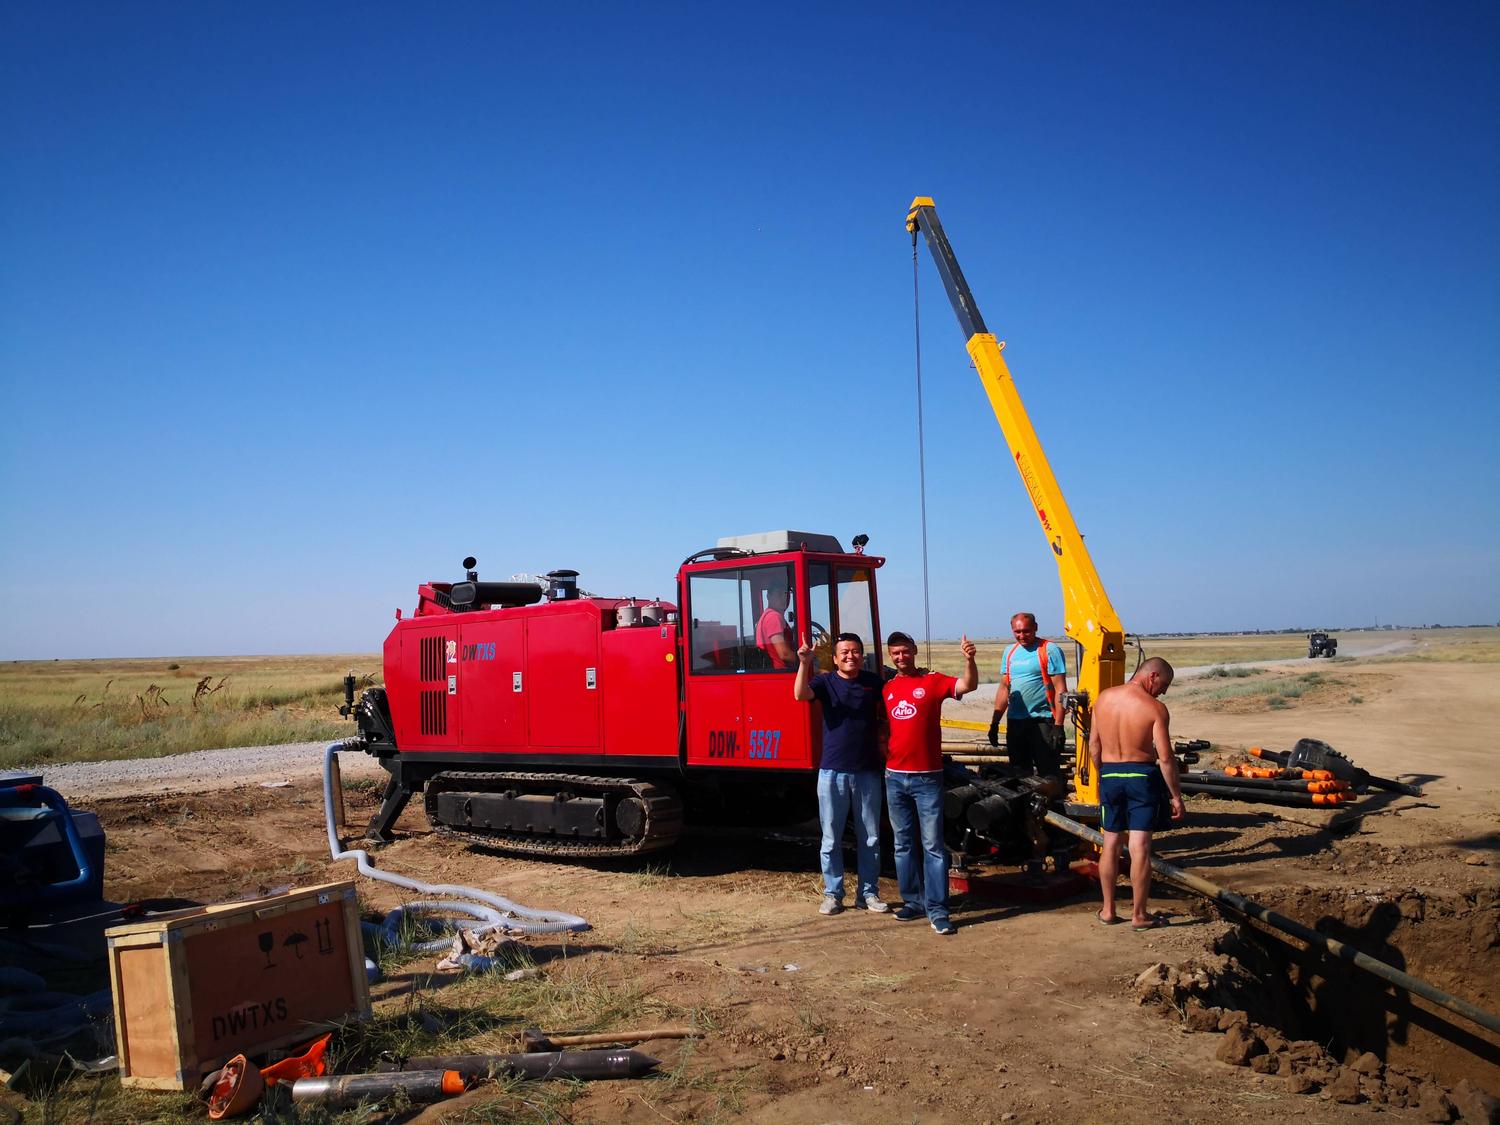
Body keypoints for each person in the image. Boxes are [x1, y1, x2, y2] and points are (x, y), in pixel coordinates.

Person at [882, 630, 978, 936]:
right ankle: (912, 901)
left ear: (915, 651)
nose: (900, 657)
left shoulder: (932, 681)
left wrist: (969, 660)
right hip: (895, 778)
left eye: (905, 651)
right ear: (890, 656)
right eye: (895, 653)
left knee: (933, 846)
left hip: (927, 778)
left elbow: (967, 685)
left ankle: (938, 910)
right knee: (902, 845)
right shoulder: (887, 689)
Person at [794, 632, 887, 915]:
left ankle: (868, 894)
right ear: (834, 659)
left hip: (868, 772)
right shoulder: (825, 682)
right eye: (844, 652)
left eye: (856, 651)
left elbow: (897, 697)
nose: (851, 656)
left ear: (862, 654)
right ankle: (833, 894)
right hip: (832, 772)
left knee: (870, 837)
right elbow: (799, 694)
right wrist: (803, 663)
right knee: (831, 838)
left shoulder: (873, 683)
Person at [1088, 657, 1185, 930]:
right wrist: (1176, 795)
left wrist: (1103, 775)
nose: (1163, 692)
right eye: (1164, 685)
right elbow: (1165, 758)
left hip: (1110, 774)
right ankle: (1139, 915)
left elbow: (1094, 746)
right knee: (1139, 846)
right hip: (1141, 776)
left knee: (1110, 843)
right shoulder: (1154, 708)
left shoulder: (1103, 699)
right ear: (1152, 676)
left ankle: (1108, 910)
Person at [987, 612, 1068, 777]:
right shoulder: (1010, 652)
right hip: (1016, 722)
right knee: (1019, 774)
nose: (1022, 636)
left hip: (1042, 721)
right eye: (1017, 632)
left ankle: (1051, 802)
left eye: (1026, 631)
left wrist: (1058, 725)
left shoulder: (1049, 649)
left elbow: (1060, 688)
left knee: (1048, 773)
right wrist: (995, 723)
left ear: (1035, 628)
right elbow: (1004, 688)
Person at [755, 586, 796, 669]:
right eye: (779, 594)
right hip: (784, 673)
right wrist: (809, 661)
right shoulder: (774, 617)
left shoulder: (768, 615)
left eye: (786, 594)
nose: (784, 597)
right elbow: (784, 654)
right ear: (768, 596)